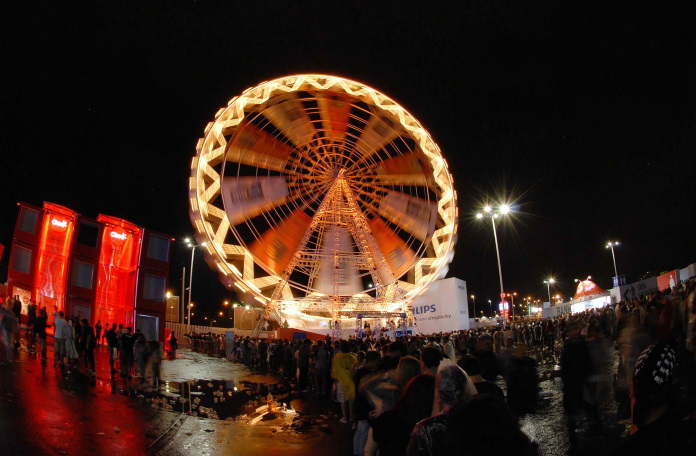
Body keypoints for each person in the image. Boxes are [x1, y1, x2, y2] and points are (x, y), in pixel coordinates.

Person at [332, 339, 358, 424]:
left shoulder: (337, 357)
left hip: (341, 382)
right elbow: (355, 370)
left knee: (343, 400)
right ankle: (351, 416)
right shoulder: (353, 357)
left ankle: (345, 417)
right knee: (351, 400)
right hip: (351, 381)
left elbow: (335, 371)